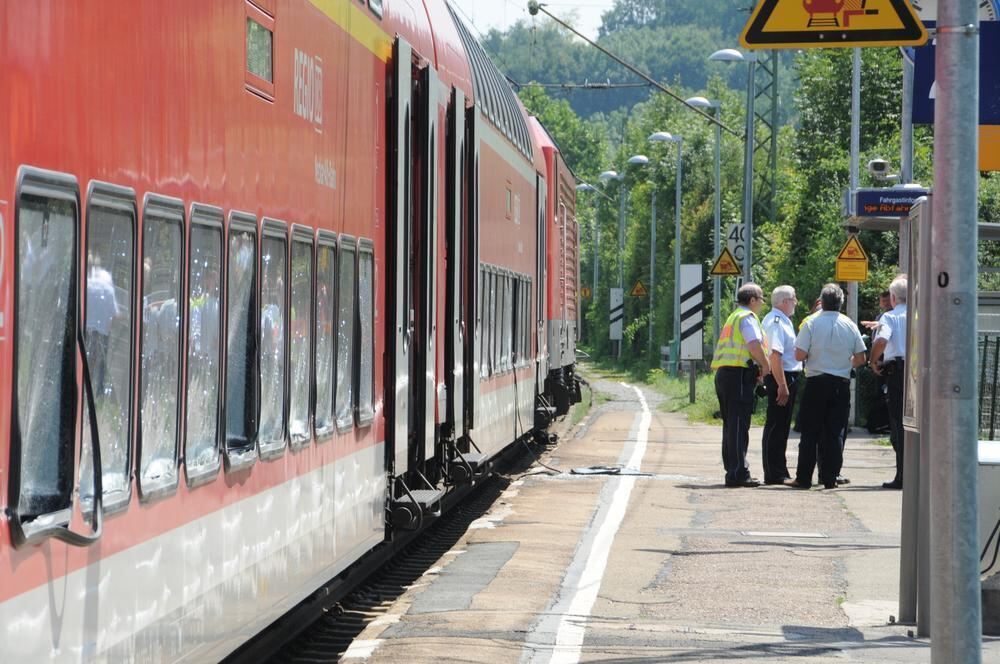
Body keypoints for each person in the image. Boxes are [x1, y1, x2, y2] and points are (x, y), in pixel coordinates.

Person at [785, 283, 867, 489]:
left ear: (822, 301)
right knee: (835, 431)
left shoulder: (811, 323)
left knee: (810, 432)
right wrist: (845, 364)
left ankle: (804, 478)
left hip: (816, 383)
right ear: (841, 302)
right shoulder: (850, 325)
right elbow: (861, 358)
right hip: (841, 384)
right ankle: (830, 478)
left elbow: (799, 355)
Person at [711, 282, 771, 488]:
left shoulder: (734, 316)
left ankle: (733, 470)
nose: (762, 303)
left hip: (726, 374)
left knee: (731, 425)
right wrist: (765, 365)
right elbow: (753, 345)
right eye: (761, 299)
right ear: (752, 300)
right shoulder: (747, 318)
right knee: (738, 425)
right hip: (737, 375)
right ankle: (738, 472)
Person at [760, 285, 802, 485]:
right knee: (777, 425)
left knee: (782, 426)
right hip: (781, 377)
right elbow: (775, 356)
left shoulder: (783, 320)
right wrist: (782, 385)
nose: (796, 303)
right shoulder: (776, 322)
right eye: (794, 299)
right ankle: (774, 472)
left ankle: (779, 469)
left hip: (786, 376)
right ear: (784, 302)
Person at [870, 276, 908, 489]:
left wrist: (873, 360)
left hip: (898, 374)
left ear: (893, 297)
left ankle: (902, 475)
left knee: (898, 423)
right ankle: (916, 473)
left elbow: (882, 340)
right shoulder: (921, 315)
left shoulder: (890, 317)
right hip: (919, 373)